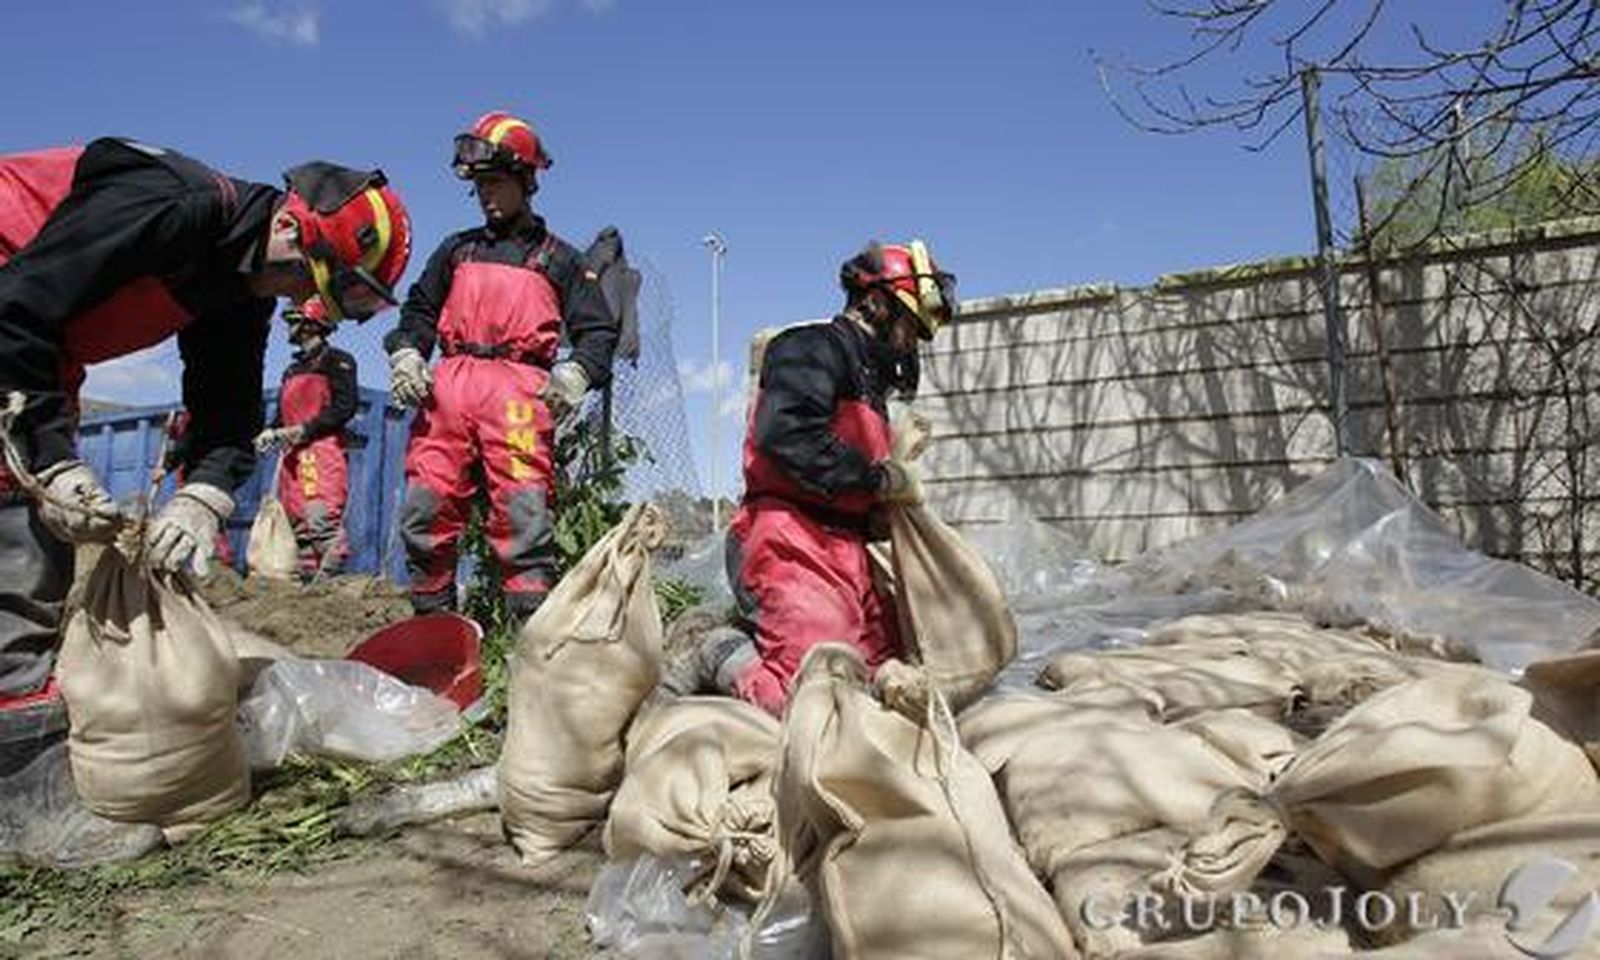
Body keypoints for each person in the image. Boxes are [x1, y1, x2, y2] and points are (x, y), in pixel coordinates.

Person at [0, 136, 411, 776]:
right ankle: (17, 776)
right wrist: (52, 458)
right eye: (300, 275)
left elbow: (227, 410)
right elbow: (16, 309)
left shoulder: (235, 284)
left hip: (36, 349)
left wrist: (203, 497)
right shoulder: (173, 207)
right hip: (11, 315)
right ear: (285, 224)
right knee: (16, 510)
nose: (288, 294)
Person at [661, 240, 956, 716]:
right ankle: (714, 650)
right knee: (812, 697)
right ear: (877, 303)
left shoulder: (868, 384)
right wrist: (880, 480)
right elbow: (789, 434)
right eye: (908, 328)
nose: (909, 345)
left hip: (846, 551)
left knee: (890, 678)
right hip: (786, 540)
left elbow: (847, 475)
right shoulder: (810, 349)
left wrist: (881, 512)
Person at [384, 112, 617, 622]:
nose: (486, 194)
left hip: (519, 393)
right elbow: (420, 310)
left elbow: (598, 332)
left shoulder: (561, 260)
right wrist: (407, 351)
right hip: (448, 388)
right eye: (480, 185)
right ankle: (436, 637)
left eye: (495, 183)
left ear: (526, 181)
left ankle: (526, 645)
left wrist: (576, 372)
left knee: (524, 516)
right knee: (426, 508)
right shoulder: (456, 250)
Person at [254, 299, 359, 581]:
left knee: (320, 521)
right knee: (298, 525)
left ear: (311, 322)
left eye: (293, 320)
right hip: (292, 458)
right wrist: (272, 430)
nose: (287, 326)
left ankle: (327, 591)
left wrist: (302, 430)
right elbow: (283, 413)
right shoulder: (292, 369)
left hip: (321, 453)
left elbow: (344, 407)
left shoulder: (337, 360)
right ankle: (305, 597)